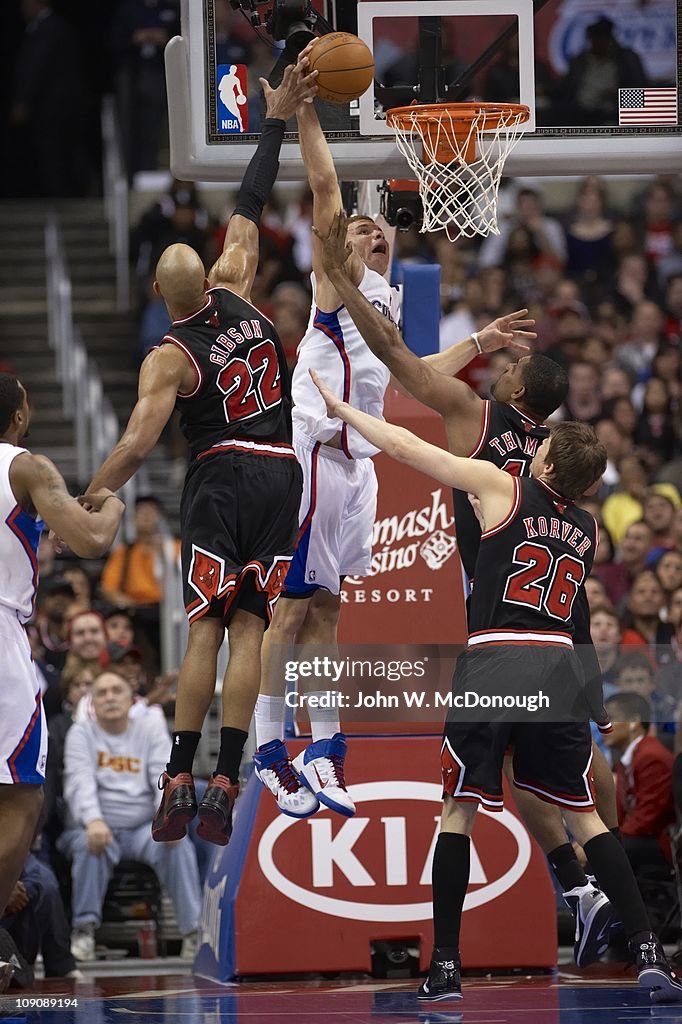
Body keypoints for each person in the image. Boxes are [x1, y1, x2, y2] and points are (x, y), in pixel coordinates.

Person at [310, 213, 620, 967]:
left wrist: (346, 284)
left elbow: (402, 364)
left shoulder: (475, 417)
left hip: (490, 609)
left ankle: (530, 914)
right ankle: (592, 890)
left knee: (472, 785)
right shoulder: (561, 473)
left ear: (514, 386)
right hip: (555, 618)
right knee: (558, 771)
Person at [311, 374, 682, 1004]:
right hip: (559, 668)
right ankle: (651, 952)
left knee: (459, 810)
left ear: (541, 459)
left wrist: (343, 408)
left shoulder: (503, 487)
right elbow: (579, 620)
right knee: (586, 818)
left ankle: (447, 965)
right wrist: (594, 700)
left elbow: (410, 449)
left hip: (497, 658)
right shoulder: (588, 529)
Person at [253, 74, 536, 820]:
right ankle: (268, 749)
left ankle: (323, 751)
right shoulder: (333, 282)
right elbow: (323, 186)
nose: (372, 232)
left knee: (330, 615)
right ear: (333, 248)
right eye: (358, 229)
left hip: (360, 467)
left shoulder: (385, 297)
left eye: (379, 229)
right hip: (317, 450)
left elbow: (410, 373)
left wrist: (480, 341)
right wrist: (308, 110)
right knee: (290, 614)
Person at [84, 62, 318, 846]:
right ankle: (228, 776)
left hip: (220, 475)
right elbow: (250, 200)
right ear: (211, 277)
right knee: (252, 627)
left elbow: (134, 443)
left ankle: (179, 774)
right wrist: (278, 115)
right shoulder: (241, 286)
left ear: (161, 298)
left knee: (205, 630)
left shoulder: (169, 355)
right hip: (281, 471)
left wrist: (91, 494)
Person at [0, 374, 123, 986]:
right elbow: (92, 539)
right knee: (23, 797)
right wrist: (113, 505)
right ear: (19, 416)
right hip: (0, 631)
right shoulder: (25, 467)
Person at [58, 670, 201, 961]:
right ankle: (83, 930)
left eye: (116, 691)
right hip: (94, 826)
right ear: (92, 703)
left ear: (131, 698)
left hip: (142, 829)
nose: (109, 697)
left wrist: (168, 820)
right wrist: (93, 820)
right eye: (101, 693)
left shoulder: (148, 728)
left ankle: (193, 933)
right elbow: (78, 782)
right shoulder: (81, 733)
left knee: (177, 844)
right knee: (91, 845)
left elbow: (161, 779)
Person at [604, 692, 675, 875]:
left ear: (634, 721)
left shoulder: (652, 757)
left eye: (610, 718)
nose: (602, 726)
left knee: (607, 852)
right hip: (641, 838)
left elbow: (646, 820)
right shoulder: (625, 761)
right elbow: (619, 817)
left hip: (663, 844)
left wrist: (606, 843)